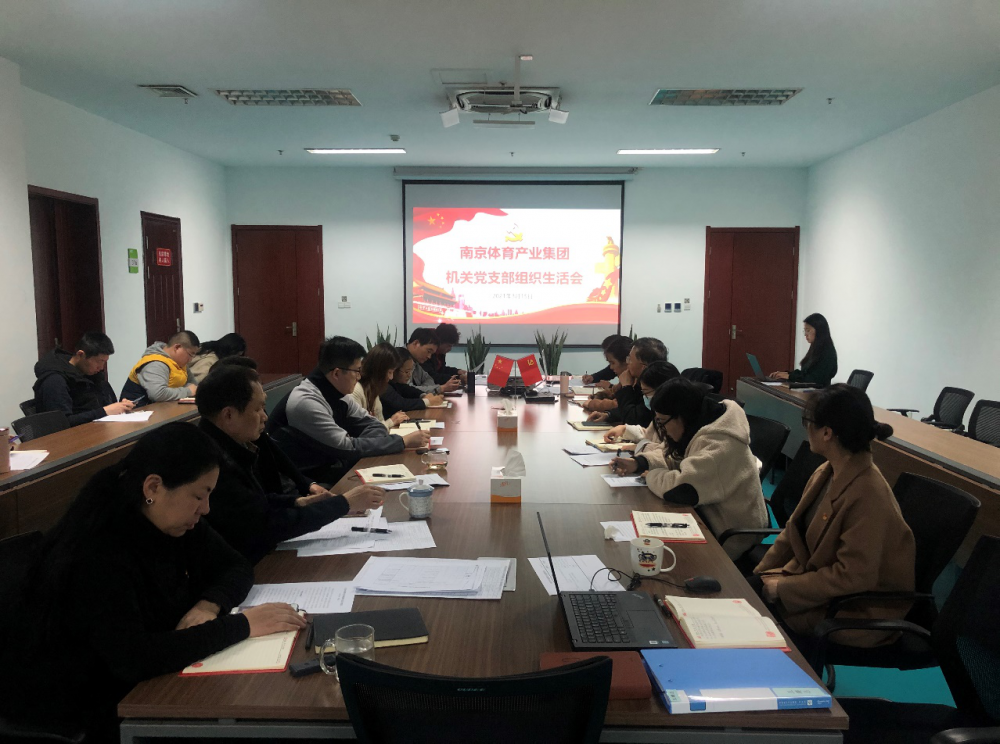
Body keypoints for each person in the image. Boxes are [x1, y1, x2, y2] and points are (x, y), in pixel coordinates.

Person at [0, 423, 305, 740]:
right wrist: (243, 625)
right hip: (87, 710)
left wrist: (209, 604)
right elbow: (134, 658)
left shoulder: (174, 521)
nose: (206, 509)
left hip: (141, 686)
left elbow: (236, 565)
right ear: (153, 487)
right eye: (199, 495)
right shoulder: (98, 550)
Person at [754, 384, 915, 648]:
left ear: (827, 433)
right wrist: (758, 575)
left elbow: (853, 576)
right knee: (749, 594)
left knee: (760, 626)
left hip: (855, 609)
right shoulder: (827, 471)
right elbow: (792, 532)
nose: (806, 428)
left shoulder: (869, 494)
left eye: (808, 422)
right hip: (823, 588)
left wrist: (783, 589)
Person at [195, 364, 385, 564]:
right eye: (257, 409)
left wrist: (296, 502)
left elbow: (256, 502)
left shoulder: (231, 442)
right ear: (228, 415)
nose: (265, 416)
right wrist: (344, 504)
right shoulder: (209, 462)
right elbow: (264, 526)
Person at [609, 378, 768, 559]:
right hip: (707, 514)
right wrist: (639, 463)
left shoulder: (719, 443)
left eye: (663, 422)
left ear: (681, 415)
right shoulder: (700, 425)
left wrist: (651, 475)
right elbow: (674, 457)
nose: (662, 430)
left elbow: (681, 489)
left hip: (728, 534)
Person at [267, 336, 431, 482]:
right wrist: (402, 441)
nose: (359, 377)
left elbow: (374, 425)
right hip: (304, 482)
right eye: (357, 371)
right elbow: (347, 447)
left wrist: (360, 446)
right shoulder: (307, 401)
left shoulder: (337, 391)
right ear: (337, 373)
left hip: (330, 468)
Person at [32, 331, 134, 425]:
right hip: (74, 436)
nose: (101, 367)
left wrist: (120, 407)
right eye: (99, 361)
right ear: (81, 354)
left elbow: (106, 405)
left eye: (104, 362)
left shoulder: (93, 375)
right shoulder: (55, 380)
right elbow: (62, 423)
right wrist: (104, 411)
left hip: (99, 428)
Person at [588, 336, 668, 426]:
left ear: (643, 367)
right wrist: (609, 415)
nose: (627, 363)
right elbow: (630, 409)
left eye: (630, 360)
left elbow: (633, 419)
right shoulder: (641, 381)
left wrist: (626, 387)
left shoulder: (655, 387)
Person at [602, 361, 682, 449]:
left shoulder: (677, 419)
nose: (628, 364)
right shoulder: (660, 414)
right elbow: (650, 435)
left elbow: (669, 451)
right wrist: (625, 429)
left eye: (646, 393)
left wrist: (641, 448)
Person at [120, 330, 200, 402]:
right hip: (139, 410)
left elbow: (194, 385)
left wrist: (189, 389)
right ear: (177, 347)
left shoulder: (180, 363)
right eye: (190, 354)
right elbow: (158, 394)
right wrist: (188, 391)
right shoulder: (155, 363)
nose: (190, 359)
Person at [350, 342, 410, 429]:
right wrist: (391, 421)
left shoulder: (373, 389)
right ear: (379, 370)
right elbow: (362, 432)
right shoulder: (356, 390)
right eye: (389, 372)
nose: (391, 377)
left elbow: (379, 422)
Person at [770, 313, 838, 387]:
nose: (805, 334)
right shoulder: (815, 348)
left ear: (819, 331)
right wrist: (787, 374)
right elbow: (805, 373)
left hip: (819, 392)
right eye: (805, 331)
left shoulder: (827, 352)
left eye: (808, 330)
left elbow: (814, 380)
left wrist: (790, 376)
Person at [382, 346, 445, 417]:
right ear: (394, 370)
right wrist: (428, 401)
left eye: (411, 371)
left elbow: (408, 389)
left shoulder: (396, 383)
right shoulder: (383, 386)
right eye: (406, 372)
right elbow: (401, 404)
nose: (409, 375)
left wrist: (424, 395)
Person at [581, 337, 632, 414]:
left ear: (626, 362)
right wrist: (597, 396)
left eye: (612, 363)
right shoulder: (624, 379)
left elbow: (618, 404)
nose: (611, 367)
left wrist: (591, 404)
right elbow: (614, 391)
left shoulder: (633, 381)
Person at [407, 328, 462, 394]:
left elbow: (429, 379)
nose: (429, 357)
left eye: (431, 353)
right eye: (428, 351)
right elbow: (407, 389)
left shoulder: (416, 361)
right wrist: (439, 389)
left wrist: (424, 388)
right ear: (416, 343)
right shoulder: (400, 359)